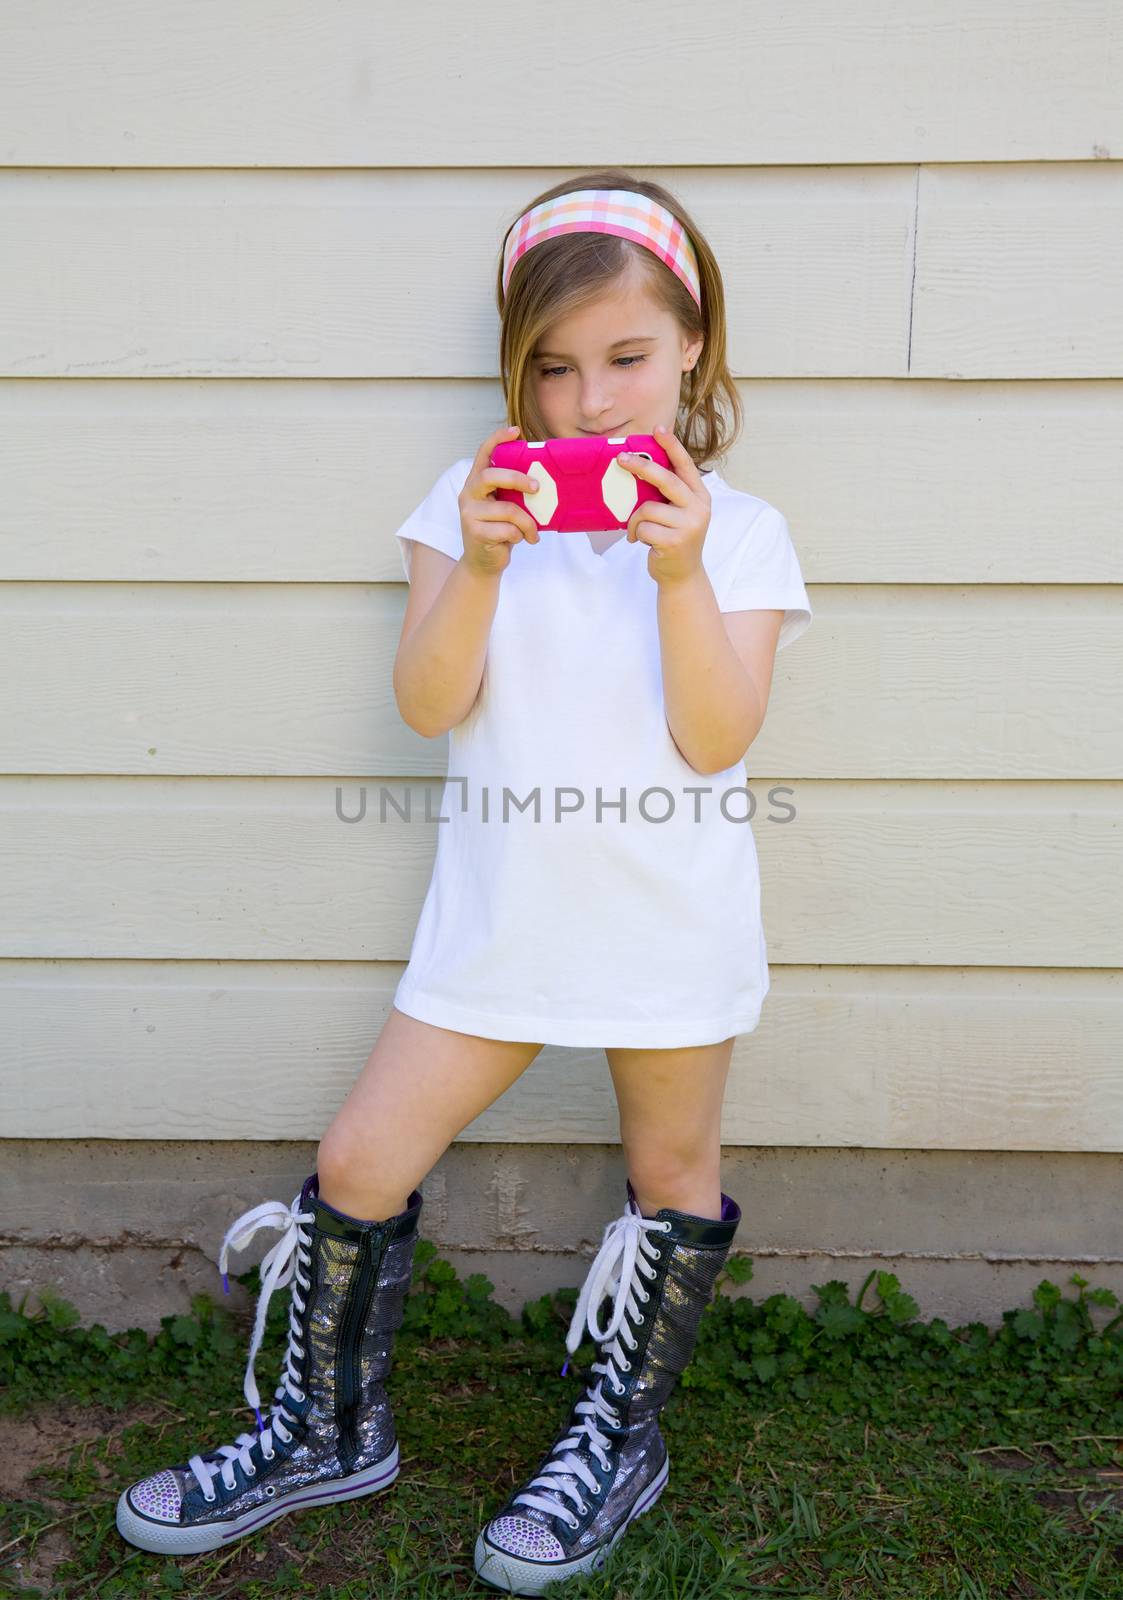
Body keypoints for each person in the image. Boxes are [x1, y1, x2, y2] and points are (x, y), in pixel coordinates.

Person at [115, 170, 813, 1595]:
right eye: (552, 370)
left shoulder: (737, 533)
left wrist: (677, 575)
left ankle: (620, 1437)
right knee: (362, 1163)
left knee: (671, 1177)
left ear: (694, 348)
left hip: (668, 925)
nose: (590, 403)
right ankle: (325, 1428)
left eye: (627, 359)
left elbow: (716, 735)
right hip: (500, 922)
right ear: (518, 371)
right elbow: (430, 703)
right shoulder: (465, 503)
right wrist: (483, 566)